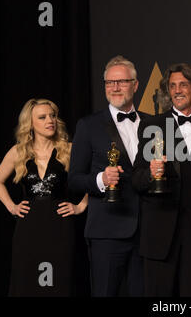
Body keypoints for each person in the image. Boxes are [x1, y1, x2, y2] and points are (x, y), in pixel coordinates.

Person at [68, 56, 149, 297]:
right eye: (109, 83)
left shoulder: (153, 123)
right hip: (107, 231)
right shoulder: (88, 126)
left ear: (135, 85)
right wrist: (101, 180)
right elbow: (74, 179)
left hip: (147, 231)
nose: (115, 87)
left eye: (122, 81)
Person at [0, 98, 88, 296]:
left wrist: (81, 205)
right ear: (30, 124)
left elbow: (96, 179)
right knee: (28, 282)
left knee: (59, 282)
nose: (50, 120)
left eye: (52, 116)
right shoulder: (19, 152)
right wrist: (11, 206)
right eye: (42, 117)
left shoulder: (69, 149)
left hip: (60, 226)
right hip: (29, 227)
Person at [132, 63, 191, 296]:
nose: (178, 90)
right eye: (173, 86)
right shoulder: (152, 126)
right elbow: (136, 179)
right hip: (159, 235)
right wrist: (151, 174)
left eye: (183, 85)